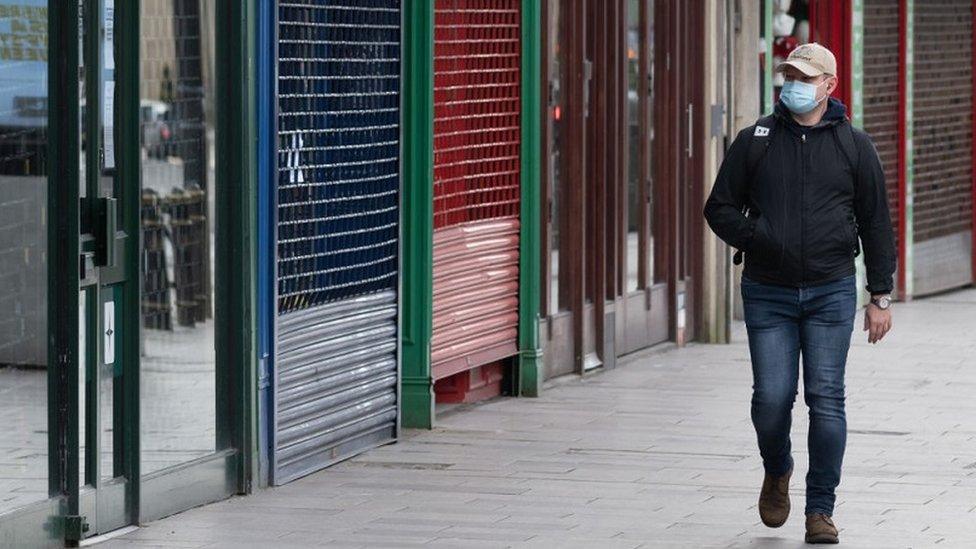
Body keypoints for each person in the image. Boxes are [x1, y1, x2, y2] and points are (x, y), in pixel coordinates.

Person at [703, 43, 896, 544]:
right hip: (768, 291)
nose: (794, 83)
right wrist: (757, 236)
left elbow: (877, 223)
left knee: (826, 398)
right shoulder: (756, 141)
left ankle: (820, 510)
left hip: (832, 291)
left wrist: (880, 296)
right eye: (789, 74)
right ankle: (778, 467)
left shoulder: (855, 147)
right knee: (771, 398)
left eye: (805, 76)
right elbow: (718, 207)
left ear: (829, 86)